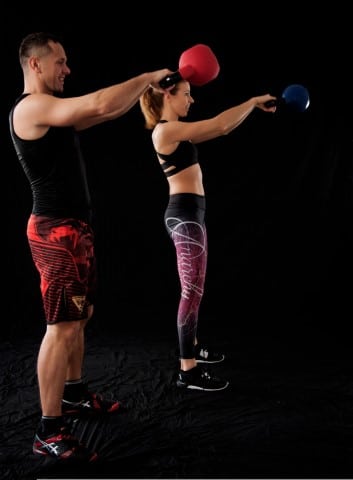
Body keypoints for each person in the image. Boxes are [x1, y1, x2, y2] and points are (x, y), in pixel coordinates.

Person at [8, 31, 172, 462]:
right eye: (59, 61)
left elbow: (104, 111)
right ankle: (48, 430)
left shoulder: (56, 112)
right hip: (54, 232)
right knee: (60, 327)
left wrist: (144, 89)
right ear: (35, 64)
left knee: (82, 315)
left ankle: (76, 394)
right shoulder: (33, 106)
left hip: (74, 230)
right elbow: (99, 102)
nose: (68, 69)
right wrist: (149, 75)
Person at [139, 80, 276, 392]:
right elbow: (221, 126)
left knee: (194, 289)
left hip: (191, 214)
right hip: (185, 216)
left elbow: (220, 127)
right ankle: (188, 371)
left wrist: (251, 107)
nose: (192, 100)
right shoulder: (165, 131)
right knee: (192, 291)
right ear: (166, 95)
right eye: (186, 94)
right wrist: (253, 101)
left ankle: (194, 347)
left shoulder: (175, 129)